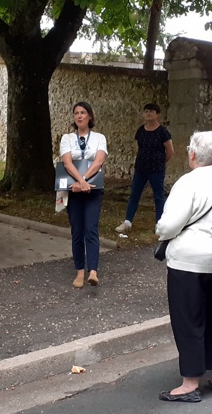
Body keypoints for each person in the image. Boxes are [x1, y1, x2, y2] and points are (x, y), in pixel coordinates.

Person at [156, 131, 212, 403]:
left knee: (189, 318)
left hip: (192, 260)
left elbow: (170, 224)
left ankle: (190, 382)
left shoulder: (188, 182)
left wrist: (160, 230)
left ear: (192, 153)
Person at [60, 101, 107, 288]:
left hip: (93, 189)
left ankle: (93, 271)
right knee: (77, 231)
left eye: (83, 112)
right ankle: (79, 272)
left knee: (91, 228)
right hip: (74, 190)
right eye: (76, 113)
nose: (79, 116)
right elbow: (67, 162)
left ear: (89, 116)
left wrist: (84, 181)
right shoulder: (67, 138)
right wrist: (80, 182)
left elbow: (98, 162)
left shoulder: (99, 138)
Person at [115, 103, 173, 233]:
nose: (148, 114)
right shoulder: (141, 130)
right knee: (134, 195)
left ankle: (160, 224)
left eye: (151, 111)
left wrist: (161, 162)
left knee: (158, 197)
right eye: (146, 111)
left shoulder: (162, 132)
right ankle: (127, 222)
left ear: (157, 114)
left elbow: (170, 151)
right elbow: (138, 147)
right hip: (141, 169)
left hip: (156, 170)